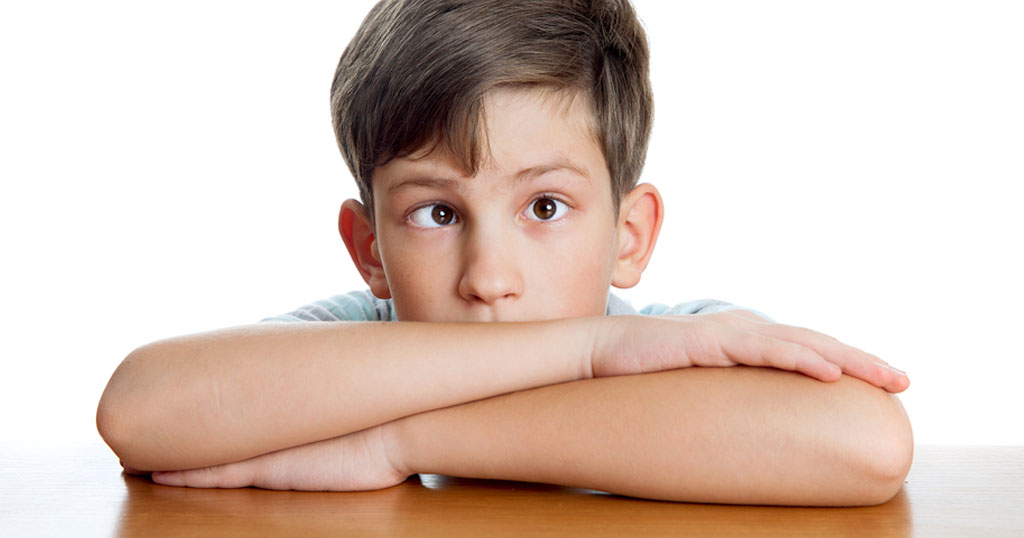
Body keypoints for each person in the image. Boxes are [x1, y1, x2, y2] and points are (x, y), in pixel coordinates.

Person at [96, 0, 912, 506]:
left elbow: (867, 444)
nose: (489, 279)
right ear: (369, 248)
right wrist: (589, 349)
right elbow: (139, 412)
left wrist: (397, 442)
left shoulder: (670, 343)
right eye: (436, 213)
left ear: (630, 237)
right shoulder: (358, 341)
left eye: (545, 207)